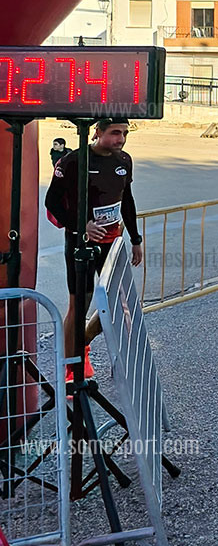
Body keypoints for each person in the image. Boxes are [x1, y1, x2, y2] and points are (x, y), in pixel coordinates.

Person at [44, 117, 143, 379]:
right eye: (115, 133)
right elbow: (52, 202)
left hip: (112, 243)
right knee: (80, 305)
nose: (121, 139)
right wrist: (82, 226)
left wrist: (136, 239)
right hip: (82, 243)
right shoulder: (74, 161)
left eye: (124, 133)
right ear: (97, 132)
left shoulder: (124, 160)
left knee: (120, 304)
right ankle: (71, 367)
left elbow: (127, 200)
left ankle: (83, 342)